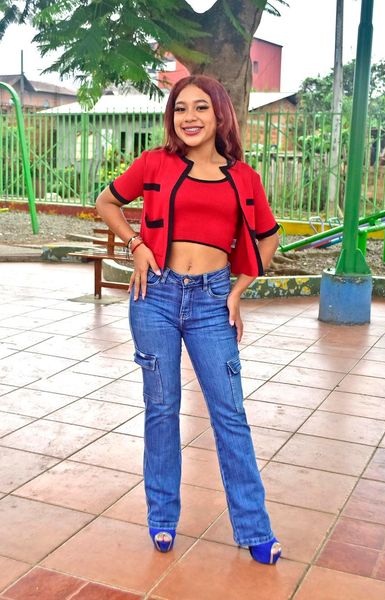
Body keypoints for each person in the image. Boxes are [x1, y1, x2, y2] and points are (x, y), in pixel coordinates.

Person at [96, 75, 281, 565]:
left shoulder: (244, 178)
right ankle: (162, 517)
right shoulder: (155, 163)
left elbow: (268, 237)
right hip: (154, 295)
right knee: (161, 408)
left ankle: (254, 527)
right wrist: (135, 244)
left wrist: (238, 291)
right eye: (180, 108)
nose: (189, 117)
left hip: (212, 302)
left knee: (230, 413)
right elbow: (106, 202)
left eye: (200, 107)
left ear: (220, 114)